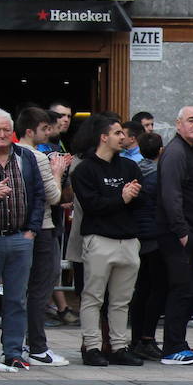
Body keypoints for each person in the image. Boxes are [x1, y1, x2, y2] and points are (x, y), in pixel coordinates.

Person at [69, 114, 146, 367]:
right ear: (103, 137)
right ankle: (92, 347)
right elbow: (92, 205)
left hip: (128, 240)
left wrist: (132, 196)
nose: (123, 137)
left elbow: (143, 200)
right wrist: (121, 198)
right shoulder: (84, 170)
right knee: (93, 297)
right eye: (117, 133)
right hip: (99, 239)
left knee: (121, 300)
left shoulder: (129, 167)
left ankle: (119, 346)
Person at [0, 109, 46, 371]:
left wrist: (32, 230)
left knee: (16, 299)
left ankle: (14, 351)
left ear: (13, 132)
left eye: (6, 130)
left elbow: (39, 195)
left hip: (20, 237)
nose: (2, 135)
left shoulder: (26, 157)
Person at [154, 105, 193, 365]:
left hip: (192, 232)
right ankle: (173, 347)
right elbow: (171, 193)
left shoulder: (190, 151)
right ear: (178, 124)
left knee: (188, 290)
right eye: (191, 120)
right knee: (182, 289)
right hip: (179, 234)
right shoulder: (176, 152)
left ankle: (179, 343)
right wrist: (181, 231)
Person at [15, 107, 68, 367]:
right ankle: (37, 346)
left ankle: (22, 344)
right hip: (43, 226)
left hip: (21, 227)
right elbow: (54, 196)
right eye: (44, 128)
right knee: (41, 287)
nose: (49, 133)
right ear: (29, 131)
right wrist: (58, 171)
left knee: (25, 288)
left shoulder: (12, 153)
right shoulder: (36, 156)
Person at [127, 132, 165, 360]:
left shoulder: (134, 170)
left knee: (141, 289)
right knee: (156, 289)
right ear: (161, 150)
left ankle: (136, 338)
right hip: (154, 236)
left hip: (137, 235)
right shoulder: (159, 175)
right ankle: (146, 338)